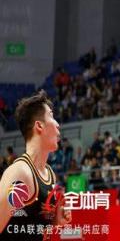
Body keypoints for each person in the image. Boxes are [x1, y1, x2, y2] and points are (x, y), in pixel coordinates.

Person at [0, 91, 71, 239]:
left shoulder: (50, 174)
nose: (58, 124)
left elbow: (35, 226)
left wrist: (57, 221)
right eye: (51, 116)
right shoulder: (20, 172)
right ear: (39, 126)